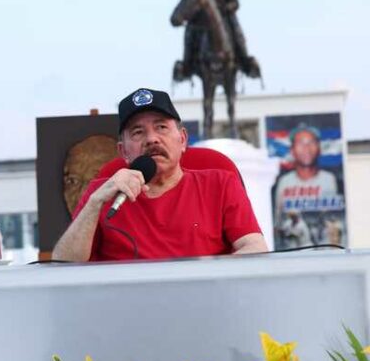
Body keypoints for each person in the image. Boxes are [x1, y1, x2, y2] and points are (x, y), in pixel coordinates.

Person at [52, 88, 268, 262]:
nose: (152, 139)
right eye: (138, 132)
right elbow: (63, 264)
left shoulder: (220, 184)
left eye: (161, 127)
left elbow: (255, 247)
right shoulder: (103, 193)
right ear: (123, 151)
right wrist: (94, 203)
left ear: (182, 139)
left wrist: (206, 273)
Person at [272, 124, 340, 246]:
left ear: (319, 148)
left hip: (324, 251)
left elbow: (333, 220)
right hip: (292, 252)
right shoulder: (284, 182)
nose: (306, 148)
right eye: (300, 143)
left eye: (311, 142)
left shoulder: (329, 179)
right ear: (292, 150)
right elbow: (277, 222)